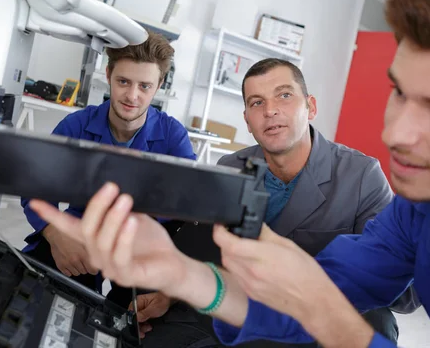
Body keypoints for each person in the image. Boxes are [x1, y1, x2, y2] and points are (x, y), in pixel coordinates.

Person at [31, 0, 430, 346]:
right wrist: (183, 276)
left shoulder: (365, 178)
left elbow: (360, 313)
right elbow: (308, 298)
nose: (396, 132)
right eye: (399, 92)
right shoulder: (416, 214)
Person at [131, 58, 411, 346]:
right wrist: (170, 293)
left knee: (377, 321)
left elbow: (403, 291)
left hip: (315, 319)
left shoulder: (362, 176)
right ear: (248, 122)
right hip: (235, 310)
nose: (270, 110)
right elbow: (206, 255)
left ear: (310, 107)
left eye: (284, 95)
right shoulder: (230, 168)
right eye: (256, 102)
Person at [21, 31, 196, 308]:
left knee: (145, 321)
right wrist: (55, 233)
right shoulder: (76, 126)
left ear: (159, 84)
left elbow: (189, 202)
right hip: (80, 234)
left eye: (145, 86)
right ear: (109, 74)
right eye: (123, 82)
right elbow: (35, 185)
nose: (132, 96)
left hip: (142, 245)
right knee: (32, 292)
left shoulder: (172, 135)